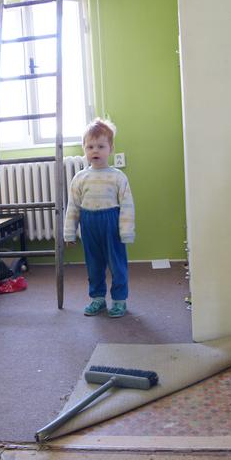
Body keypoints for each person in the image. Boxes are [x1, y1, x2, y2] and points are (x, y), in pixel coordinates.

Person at [64, 118, 135, 318]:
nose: (95, 151)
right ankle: (98, 298)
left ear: (110, 149)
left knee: (117, 264)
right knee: (94, 265)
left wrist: (126, 232)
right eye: (90, 147)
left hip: (111, 224)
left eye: (101, 146)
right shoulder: (79, 178)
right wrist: (69, 233)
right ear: (84, 149)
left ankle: (119, 300)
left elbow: (127, 206)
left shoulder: (118, 177)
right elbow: (73, 207)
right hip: (89, 224)